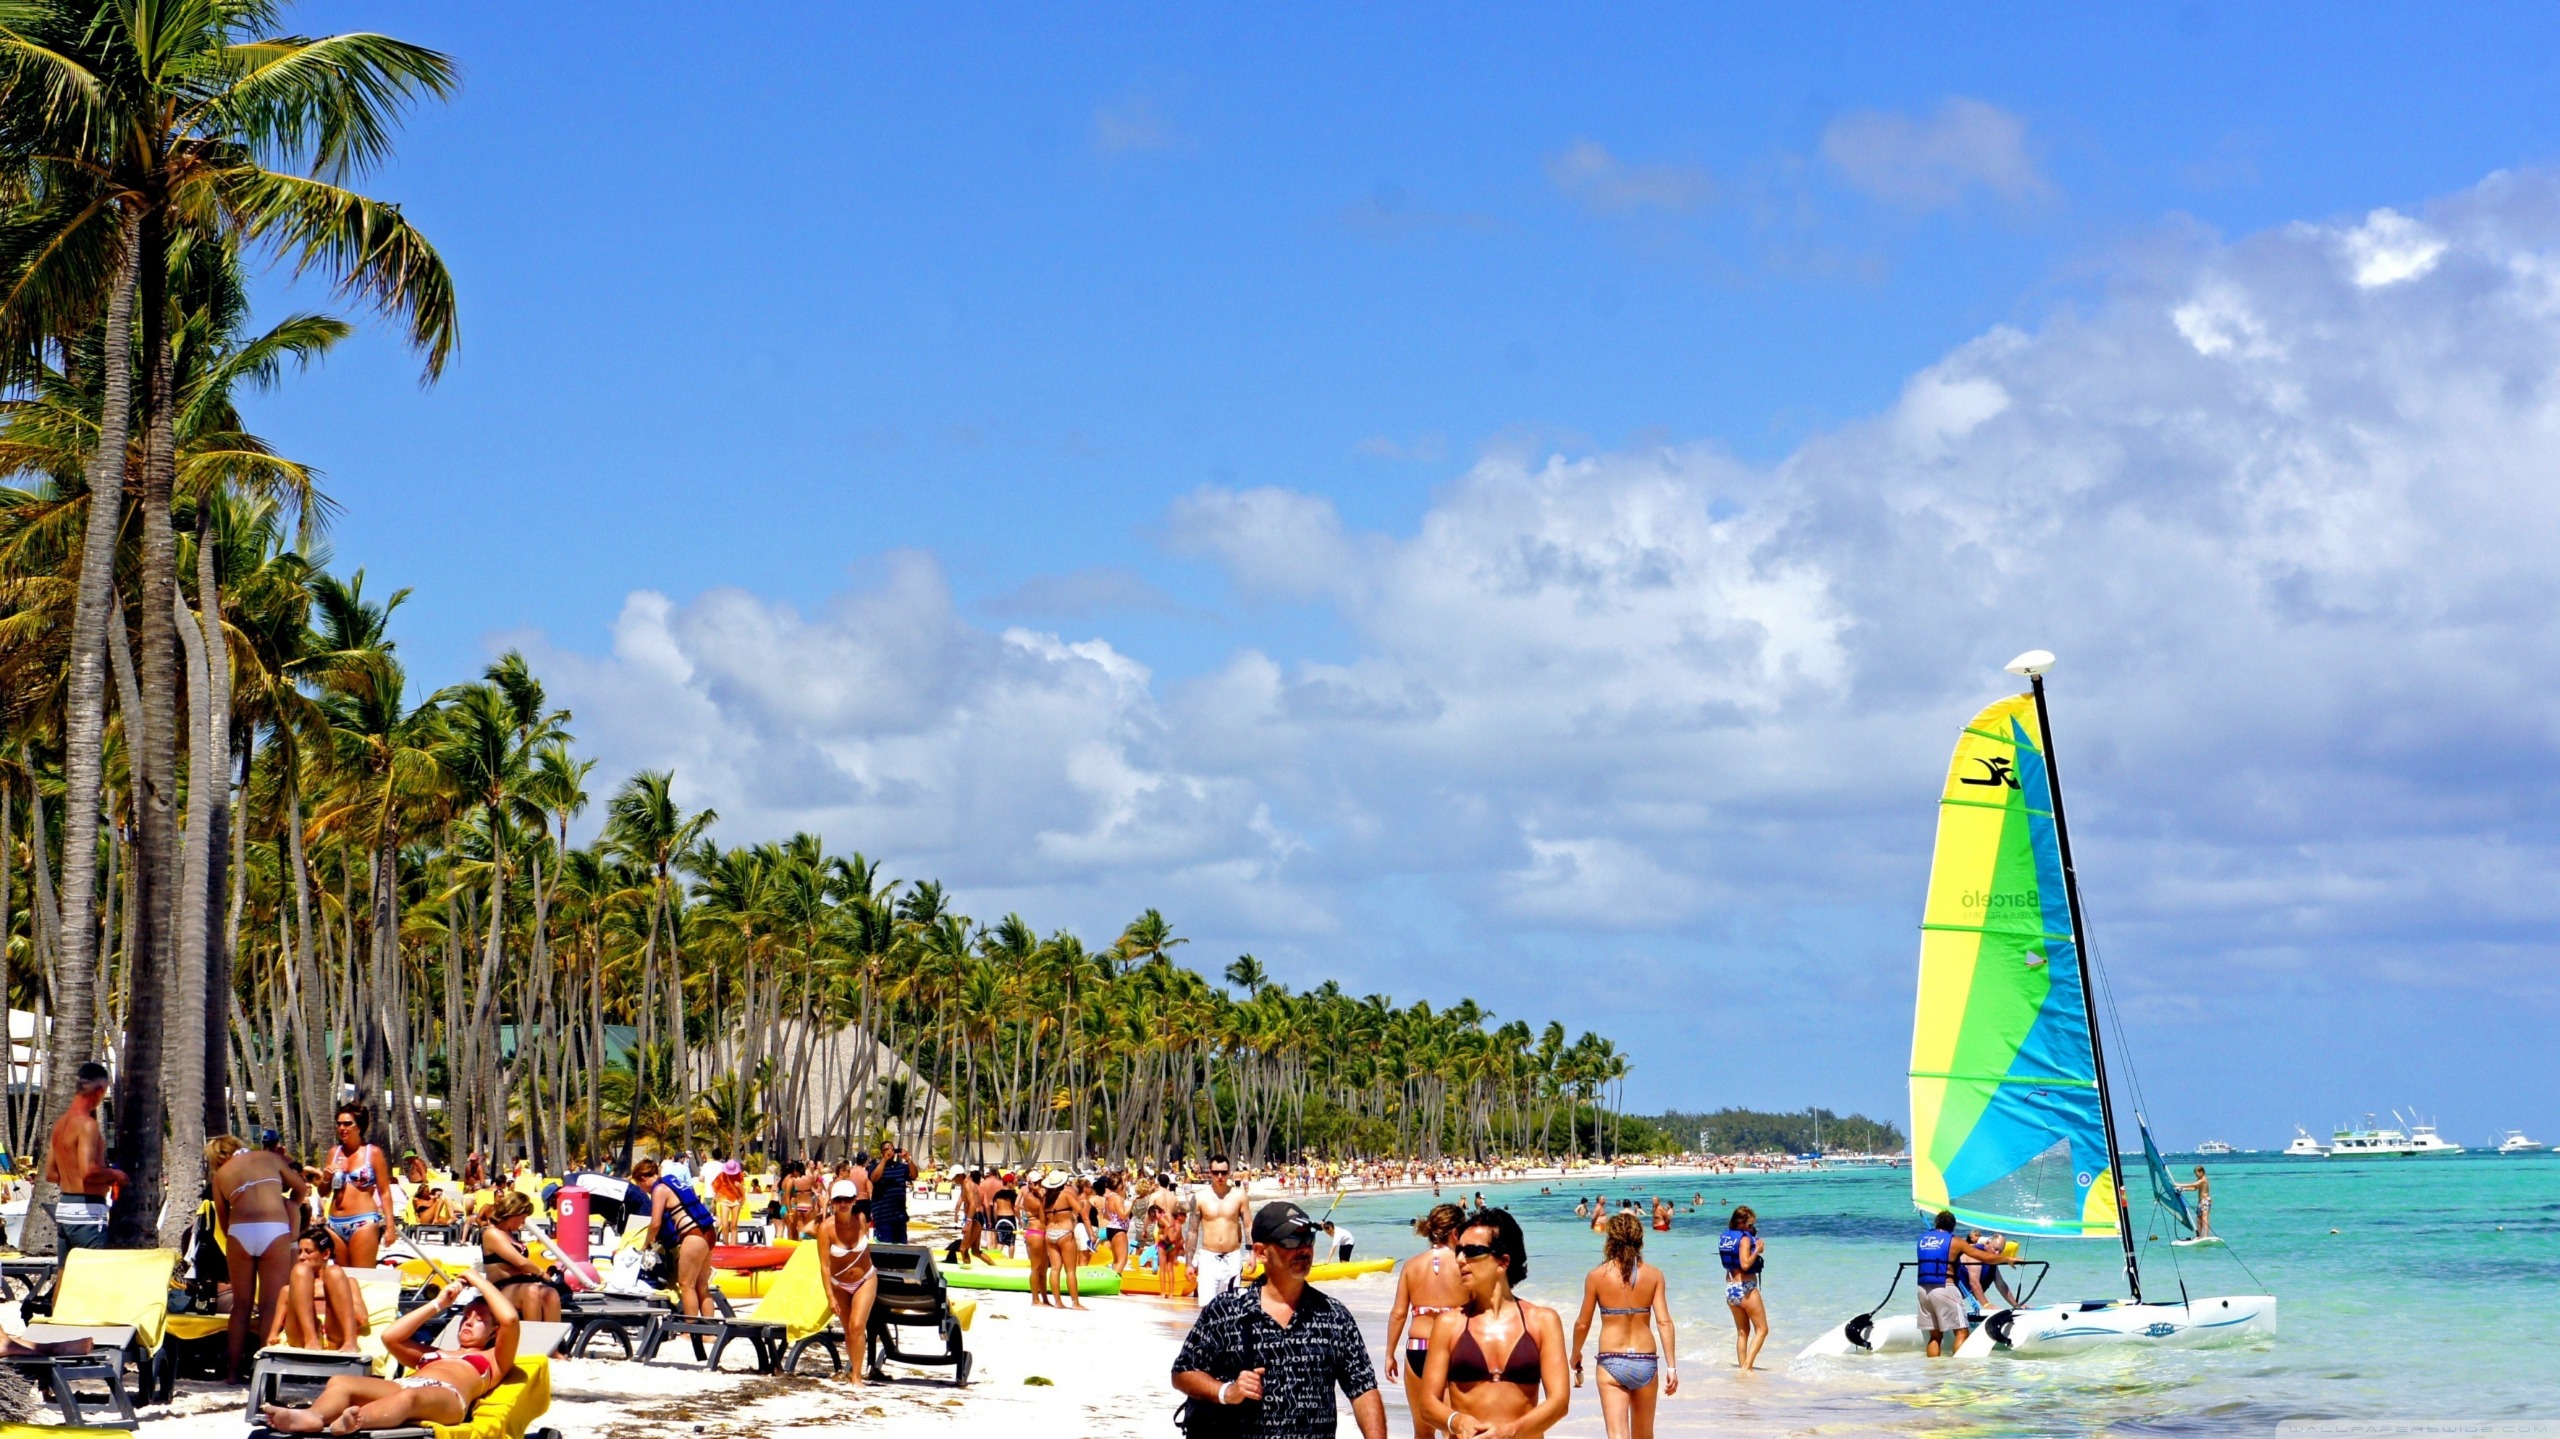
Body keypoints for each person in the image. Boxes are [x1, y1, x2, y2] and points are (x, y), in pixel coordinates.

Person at [1171, 1200, 1387, 1439]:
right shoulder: (1227, 1311)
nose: (1304, 1249)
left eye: (1309, 1239)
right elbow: (1183, 1372)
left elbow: (1363, 1388)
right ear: (1262, 1252)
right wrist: (1227, 1391)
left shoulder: (1334, 1316)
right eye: (1292, 1241)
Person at [263, 1272, 519, 1434]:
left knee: (409, 1397)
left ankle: (356, 1421)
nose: (468, 1322)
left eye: (480, 1319)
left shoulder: (493, 1360)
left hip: (448, 1398)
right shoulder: (433, 1353)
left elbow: (510, 1319)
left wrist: (476, 1280)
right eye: (465, 1316)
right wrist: (439, 1303)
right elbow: (390, 1337)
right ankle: (313, 1417)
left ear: (494, 1332)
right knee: (340, 1382)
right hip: (405, 1385)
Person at [1418, 1209, 1570, 1439]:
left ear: (1503, 1261)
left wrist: (1511, 1431)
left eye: (1472, 1251)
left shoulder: (1542, 1321)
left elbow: (1559, 1403)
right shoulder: (1449, 1324)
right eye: (1459, 1250)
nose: (1459, 1259)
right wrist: (1455, 1421)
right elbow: (1428, 1404)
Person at [208, 1134, 309, 1378]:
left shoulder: (220, 1177)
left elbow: (223, 1221)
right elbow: (302, 1188)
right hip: (274, 1228)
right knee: (269, 1305)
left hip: (240, 1232)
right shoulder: (267, 1157)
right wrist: (290, 1208)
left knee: (241, 1306)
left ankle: (232, 1373)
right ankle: (263, 1374)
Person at [1572, 1212, 1678, 1439]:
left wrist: (1575, 1353)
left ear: (1609, 1239)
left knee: (1617, 1435)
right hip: (1646, 1361)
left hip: (1612, 1360)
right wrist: (1671, 1366)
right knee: (1644, 1435)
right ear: (1640, 1239)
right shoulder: (1655, 1275)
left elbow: (1583, 1323)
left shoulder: (1596, 1276)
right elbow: (1664, 1322)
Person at [1383, 1203, 1468, 1439]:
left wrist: (1390, 1354)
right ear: (1455, 1232)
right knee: (1453, 1431)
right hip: (1452, 1349)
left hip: (1416, 1350)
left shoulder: (1411, 1265)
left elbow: (1398, 1313)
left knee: (1422, 1431)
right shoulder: (1465, 1265)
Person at [43, 1061, 123, 1263]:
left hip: (65, 1209)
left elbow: (51, 1174)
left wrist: (73, 1177)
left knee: (65, 1276)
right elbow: (89, 1171)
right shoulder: (87, 1124)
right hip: (87, 1212)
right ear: (99, 1090)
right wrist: (115, 1175)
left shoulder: (61, 1124)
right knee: (93, 1277)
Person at [1916, 1211, 2007, 1357]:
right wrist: (2006, 1259)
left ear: (1936, 1223)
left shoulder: (1922, 1239)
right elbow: (1982, 1256)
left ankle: (1933, 1372)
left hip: (1923, 1290)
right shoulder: (1955, 1241)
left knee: (1935, 1336)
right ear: (1953, 1226)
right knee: (1962, 1332)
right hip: (1945, 1288)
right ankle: (1959, 1372)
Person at [634, 1156, 715, 1317]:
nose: (643, 1190)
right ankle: (709, 1331)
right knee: (702, 1286)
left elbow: (655, 1223)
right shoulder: (673, 1181)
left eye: (640, 1186)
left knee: (686, 1285)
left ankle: (690, 1330)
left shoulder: (660, 1189)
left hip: (693, 1236)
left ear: (643, 1179)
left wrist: (645, 1245)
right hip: (709, 1232)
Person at [818, 1180, 877, 1384]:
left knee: (857, 1325)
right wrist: (829, 1296)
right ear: (832, 1202)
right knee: (848, 1331)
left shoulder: (861, 1219)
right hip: (839, 1283)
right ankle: (853, 1369)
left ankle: (857, 1377)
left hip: (865, 1279)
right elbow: (825, 1265)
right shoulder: (825, 1229)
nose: (843, 1203)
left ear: (854, 1200)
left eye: (848, 1199)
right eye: (838, 1199)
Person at [325, 1104, 393, 1269]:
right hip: (334, 1223)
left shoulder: (373, 1153)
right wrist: (326, 1178)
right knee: (341, 1279)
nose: (342, 1128)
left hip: (363, 1221)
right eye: (339, 1124)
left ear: (360, 1126)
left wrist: (390, 1226)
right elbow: (323, 1191)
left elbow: (384, 1192)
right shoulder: (334, 1152)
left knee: (362, 1277)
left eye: (348, 1124)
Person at [280, 1224, 368, 1352]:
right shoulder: (294, 1284)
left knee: (334, 1272)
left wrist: (332, 1295)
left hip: (335, 1334)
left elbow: (362, 1319)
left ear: (326, 1254)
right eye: (299, 1252)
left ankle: (350, 1341)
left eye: (308, 1252)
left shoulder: (347, 1282)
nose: (301, 1257)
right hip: (301, 1337)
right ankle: (311, 1339)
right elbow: (278, 1323)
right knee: (300, 1270)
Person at [480, 1190, 564, 1323]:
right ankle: (531, 1340)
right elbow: (521, 1263)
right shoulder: (492, 1233)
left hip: (521, 1284)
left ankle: (553, 1342)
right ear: (513, 1213)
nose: (523, 1223)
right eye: (522, 1218)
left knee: (551, 1294)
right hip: (500, 1287)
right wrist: (541, 1273)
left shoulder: (511, 1235)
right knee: (531, 1292)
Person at [1193, 1154, 1249, 1304]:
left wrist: (1252, 1253)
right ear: (1209, 1172)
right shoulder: (1200, 1197)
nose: (1219, 1176)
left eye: (1223, 1173)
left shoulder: (1239, 1196)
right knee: (1206, 1306)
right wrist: (1188, 1263)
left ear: (1229, 1172)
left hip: (1232, 1257)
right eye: (1215, 1172)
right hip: (1208, 1257)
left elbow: (1248, 1226)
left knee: (1230, 1307)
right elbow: (1192, 1231)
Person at [1716, 1206, 1767, 1371]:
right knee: (1762, 1329)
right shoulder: (1745, 1240)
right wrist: (1757, 1251)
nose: (1752, 1227)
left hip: (1731, 1287)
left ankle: (1742, 1368)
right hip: (1746, 1287)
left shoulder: (1726, 1237)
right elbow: (1745, 1264)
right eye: (1751, 1224)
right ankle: (1747, 1367)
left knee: (1742, 1332)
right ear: (1742, 1223)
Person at [1959, 1231, 2018, 1321]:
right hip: (1946, 1293)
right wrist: (1986, 1305)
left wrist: (2016, 1305)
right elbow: (1974, 1283)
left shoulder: (1991, 1260)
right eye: (1995, 1249)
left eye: (2000, 1251)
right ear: (1987, 1244)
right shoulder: (1975, 1255)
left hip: (1955, 1299)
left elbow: (2001, 1284)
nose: (1997, 1253)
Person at [868, 1145, 913, 1244]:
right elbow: (874, 1178)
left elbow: (914, 1175)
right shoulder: (875, 1167)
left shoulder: (901, 1167)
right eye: (886, 1150)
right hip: (883, 1216)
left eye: (892, 1149)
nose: (890, 1152)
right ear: (882, 1153)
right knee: (884, 1249)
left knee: (902, 1251)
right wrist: (884, 1160)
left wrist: (908, 1159)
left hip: (899, 1216)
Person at [1098, 1174, 1132, 1272]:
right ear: (1118, 1185)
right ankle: (1115, 1282)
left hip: (1111, 1227)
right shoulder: (1116, 1198)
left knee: (1116, 1260)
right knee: (1122, 1260)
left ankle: (1113, 1282)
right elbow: (1123, 1215)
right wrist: (1132, 1203)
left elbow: (1106, 1215)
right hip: (1119, 1229)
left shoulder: (1108, 1197)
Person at [711, 1159, 746, 1244]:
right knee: (725, 1224)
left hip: (736, 1200)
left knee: (734, 1225)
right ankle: (726, 1243)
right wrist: (714, 1199)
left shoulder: (740, 1175)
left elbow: (743, 1189)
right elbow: (715, 1187)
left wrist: (739, 1186)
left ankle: (733, 1245)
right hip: (724, 1200)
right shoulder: (721, 1175)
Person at [2176, 1166, 2214, 1238]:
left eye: (2197, 1174)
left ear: (2202, 1172)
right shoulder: (2199, 1179)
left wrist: (2179, 1184)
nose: (2196, 1175)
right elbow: (2194, 1188)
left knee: (2204, 1218)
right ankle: (2199, 1235)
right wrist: (2183, 1189)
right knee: (2198, 1219)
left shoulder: (2203, 1179)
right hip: (2200, 1201)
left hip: (2205, 1201)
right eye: (2195, 1174)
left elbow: (2193, 1184)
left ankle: (2205, 1236)